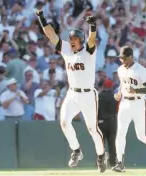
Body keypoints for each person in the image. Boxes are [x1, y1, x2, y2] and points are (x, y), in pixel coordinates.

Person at [36, 10, 108, 173]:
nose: (72, 41)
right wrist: (41, 18)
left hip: (89, 94)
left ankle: (101, 155)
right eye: (71, 39)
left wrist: (92, 26)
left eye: (75, 39)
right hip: (73, 93)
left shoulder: (88, 51)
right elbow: (50, 34)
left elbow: (91, 39)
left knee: (92, 129)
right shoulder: (66, 49)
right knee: (64, 122)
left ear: (81, 40)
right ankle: (76, 150)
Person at [112, 46, 146, 172]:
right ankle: (120, 163)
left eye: (124, 58)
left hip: (139, 102)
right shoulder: (120, 69)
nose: (122, 60)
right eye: (121, 58)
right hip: (124, 103)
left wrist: (136, 90)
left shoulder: (141, 70)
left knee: (141, 135)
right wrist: (118, 93)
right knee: (120, 134)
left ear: (131, 57)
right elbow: (122, 85)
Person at [98, 79, 117, 167]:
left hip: (101, 122)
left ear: (103, 86)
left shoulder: (99, 95)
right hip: (112, 122)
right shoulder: (114, 96)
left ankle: (101, 162)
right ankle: (113, 163)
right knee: (112, 144)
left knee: (101, 144)